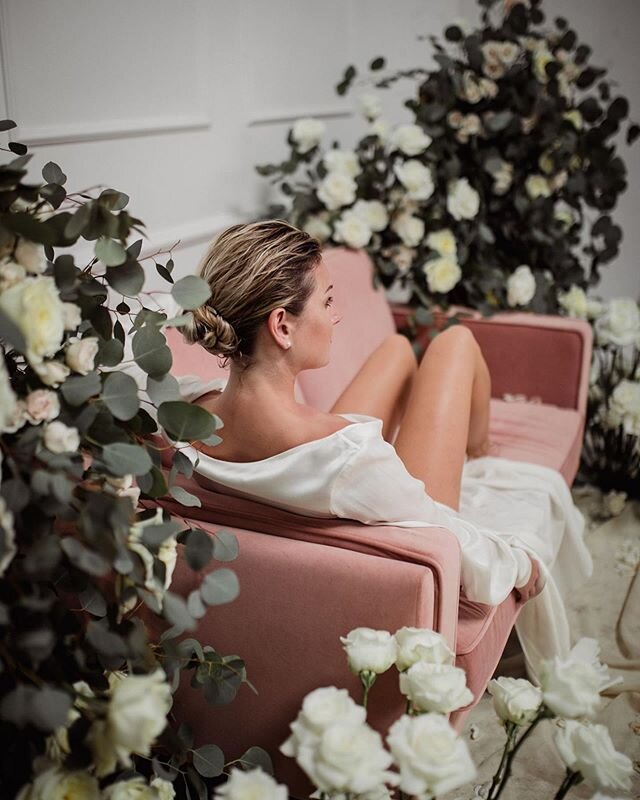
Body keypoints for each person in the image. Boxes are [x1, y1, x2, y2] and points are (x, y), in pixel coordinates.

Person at [178, 219, 593, 682]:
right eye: (328, 300)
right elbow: (445, 534)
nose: (335, 317)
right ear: (282, 326)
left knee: (397, 348)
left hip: (294, 457)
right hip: (339, 478)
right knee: (455, 342)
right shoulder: (350, 455)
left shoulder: (181, 409)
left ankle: (473, 440)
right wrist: (520, 564)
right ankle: (480, 448)